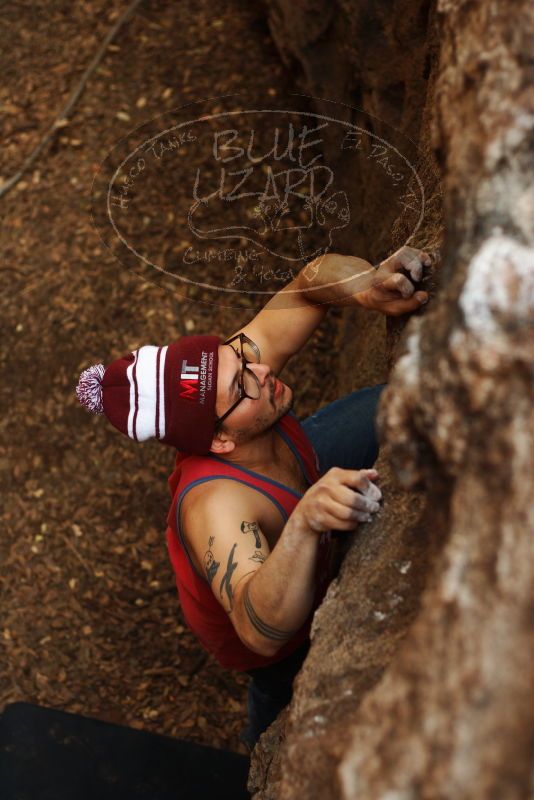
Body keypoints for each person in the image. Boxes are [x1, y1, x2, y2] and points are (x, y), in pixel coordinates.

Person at [76, 247, 430, 750]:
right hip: (276, 625)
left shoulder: (233, 381)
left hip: (298, 466)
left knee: (394, 402)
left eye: (240, 357)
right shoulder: (217, 509)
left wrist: (366, 285)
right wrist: (306, 523)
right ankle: (260, 748)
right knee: (281, 694)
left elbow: (310, 281)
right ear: (218, 441)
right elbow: (259, 628)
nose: (261, 372)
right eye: (241, 385)